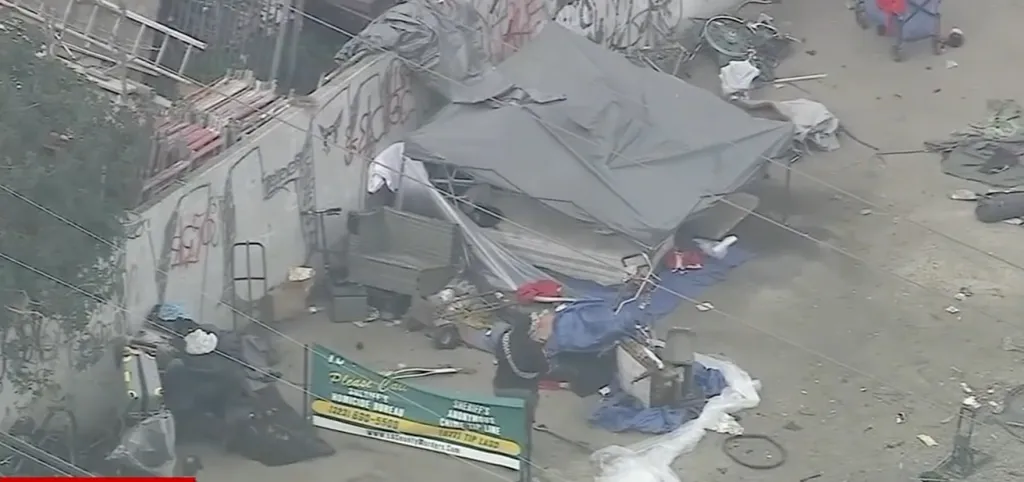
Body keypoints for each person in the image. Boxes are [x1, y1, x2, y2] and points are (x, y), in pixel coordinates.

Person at [493, 310, 554, 423]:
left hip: (500, 385)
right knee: (523, 422)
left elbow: (498, 354)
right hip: (524, 391)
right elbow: (544, 370)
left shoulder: (504, 337)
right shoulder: (534, 348)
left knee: (505, 416)